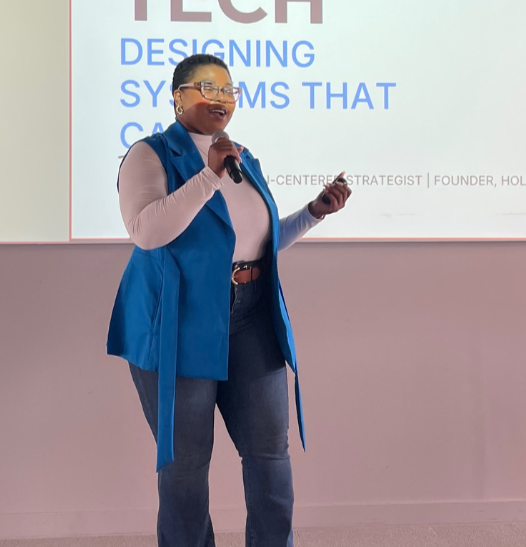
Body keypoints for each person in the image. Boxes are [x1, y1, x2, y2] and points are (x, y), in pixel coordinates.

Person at [108, 54, 351, 547]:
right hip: (181, 320)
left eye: (228, 91)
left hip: (251, 314)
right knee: (186, 464)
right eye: (206, 88)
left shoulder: (240, 156)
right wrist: (210, 175)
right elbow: (148, 231)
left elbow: (255, 242)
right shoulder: (150, 154)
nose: (220, 99)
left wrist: (313, 213)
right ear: (178, 96)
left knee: (269, 454)